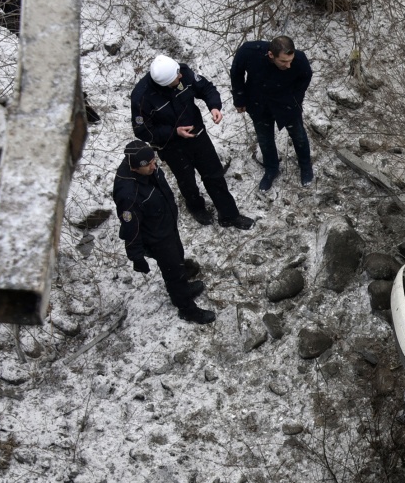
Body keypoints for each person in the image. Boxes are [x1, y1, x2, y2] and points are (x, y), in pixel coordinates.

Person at [131, 55, 254, 229]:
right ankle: (196, 208)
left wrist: (214, 106)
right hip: (171, 146)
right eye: (176, 77)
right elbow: (142, 130)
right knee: (186, 181)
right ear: (165, 83)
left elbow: (206, 88)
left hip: (198, 136)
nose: (180, 76)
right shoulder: (141, 97)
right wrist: (174, 132)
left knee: (214, 175)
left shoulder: (182, 72)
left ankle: (229, 215)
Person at [113, 140, 215, 325]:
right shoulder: (128, 194)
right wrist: (136, 256)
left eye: (154, 161)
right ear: (134, 168)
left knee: (179, 260)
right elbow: (130, 227)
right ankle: (187, 309)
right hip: (157, 239)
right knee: (173, 273)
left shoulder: (148, 167)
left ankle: (183, 289)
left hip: (167, 226)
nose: (154, 166)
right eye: (149, 164)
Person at [229, 35, 314, 191]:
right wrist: (239, 99)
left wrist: (295, 99)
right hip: (258, 102)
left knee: (298, 135)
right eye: (283, 61)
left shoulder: (300, 59)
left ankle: (305, 166)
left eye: (290, 60)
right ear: (271, 55)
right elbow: (236, 73)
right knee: (265, 138)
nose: (288, 65)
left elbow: (306, 77)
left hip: (286, 102)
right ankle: (271, 169)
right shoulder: (249, 51)